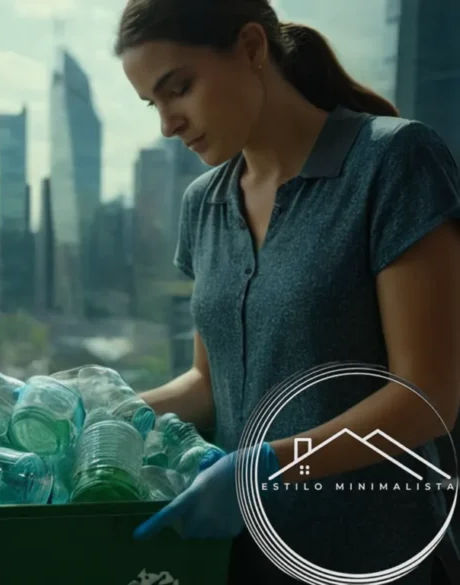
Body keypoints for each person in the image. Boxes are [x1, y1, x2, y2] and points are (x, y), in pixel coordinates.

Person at [113, 0, 460, 583]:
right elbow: (209, 381)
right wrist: (102, 415)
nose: (167, 123)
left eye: (180, 88)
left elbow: (428, 394)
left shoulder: (393, 161)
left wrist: (266, 466)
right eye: (154, 103)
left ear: (252, 49)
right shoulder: (204, 202)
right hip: (239, 561)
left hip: (372, 559)